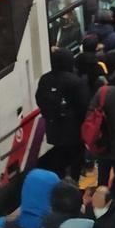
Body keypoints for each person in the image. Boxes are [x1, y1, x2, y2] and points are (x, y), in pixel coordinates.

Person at [35, 48, 89, 179]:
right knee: (75, 157)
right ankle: (74, 180)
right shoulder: (75, 81)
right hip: (74, 129)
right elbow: (83, 105)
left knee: (58, 155)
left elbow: (39, 98)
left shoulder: (45, 79)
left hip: (53, 127)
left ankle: (59, 179)